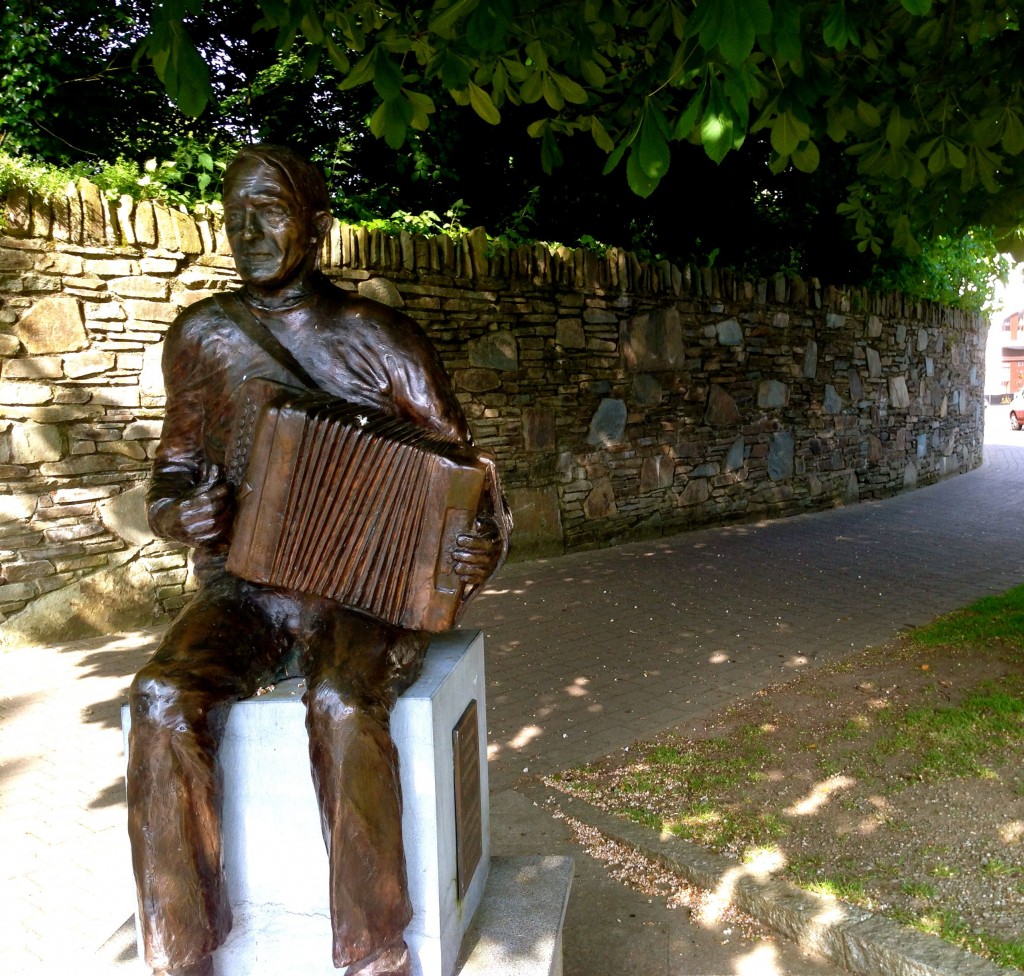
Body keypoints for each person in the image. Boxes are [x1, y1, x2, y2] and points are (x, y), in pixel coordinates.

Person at [127, 144, 509, 976]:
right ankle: (182, 953)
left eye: (269, 207)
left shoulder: (381, 339)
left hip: (364, 594)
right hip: (245, 590)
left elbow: (470, 480)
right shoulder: (203, 338)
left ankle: (375, 952)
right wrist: (177, 514)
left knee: (341, 701)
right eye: (235, 210)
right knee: (159, 696)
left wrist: (475, 548)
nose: (248, 227)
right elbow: (174, 468)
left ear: (319, 225)